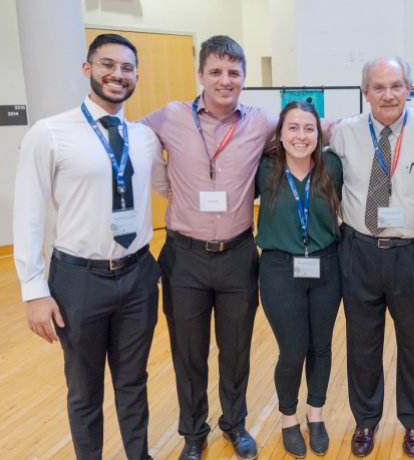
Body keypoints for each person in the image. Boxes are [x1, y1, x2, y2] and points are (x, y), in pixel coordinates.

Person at [13, 34, 164, 460]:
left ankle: (139, 454)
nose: (118, 74)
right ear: (88, 69)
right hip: (79, 281)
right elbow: (29, 213)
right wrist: (34, 289)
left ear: (136, 75)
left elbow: (170, 188)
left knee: (133, 381)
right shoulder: (50, 133)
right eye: (108, 64)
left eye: (128, 68)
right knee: (84, 389)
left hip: (137, 276)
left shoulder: (144, 137)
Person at [140, 35, 277, 460]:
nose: (225, 80)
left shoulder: (261, 122)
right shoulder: (170, 116)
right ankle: (193, 433)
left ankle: (235, 424)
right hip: (184, 258)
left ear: (244, 78)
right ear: (200, 75)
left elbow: (310, 129)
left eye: (234, 73)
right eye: (215, 71)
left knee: (236, 352)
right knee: (188, 352)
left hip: (238, 256)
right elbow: (127, 142)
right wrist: (164, 185)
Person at [331, 56, 414, 458]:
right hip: (358, 250)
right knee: (362, 343)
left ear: (409, 88)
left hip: (412, 253)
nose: (388, 94)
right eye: (378, 87)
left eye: (396, 85)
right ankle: (366, 420)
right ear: (365, 92)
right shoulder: (345, 133)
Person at [255, 101, 342, 458]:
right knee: (292, 350)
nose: (301, 136)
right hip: (279, 270)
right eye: (292, 128)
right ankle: (289, 419)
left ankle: (316, 415)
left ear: (319, 134)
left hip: (326, 267)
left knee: (320, 347)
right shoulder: (263, 170)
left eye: (309, 128)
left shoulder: (332, 166)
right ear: (279, 134)